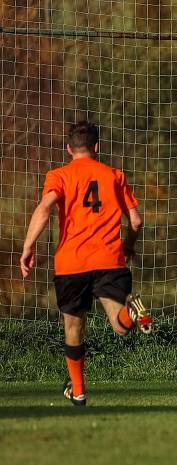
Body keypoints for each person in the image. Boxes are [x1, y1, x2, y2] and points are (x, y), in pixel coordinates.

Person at [20, 121, 152, 406]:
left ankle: (78, 391)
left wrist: (29, 245)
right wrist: (129, 243)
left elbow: (45, 207)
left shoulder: (59, 175)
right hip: (109, 259)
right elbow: (137, 220)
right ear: (97, 147)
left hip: (72, 262)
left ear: (69, 148)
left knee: (74, 327)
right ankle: (132, 312)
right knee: (120, 326)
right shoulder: (114, 175)